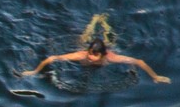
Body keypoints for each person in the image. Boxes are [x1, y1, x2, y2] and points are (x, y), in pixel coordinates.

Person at [23, 16, 169, 85]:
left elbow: (139, 62)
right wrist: (35, 71)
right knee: (83, 39)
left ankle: (103, 21)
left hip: (106, 46)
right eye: (90, 53)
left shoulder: (111, 57)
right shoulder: (81, 55)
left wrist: (155, 76)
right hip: (88, 46)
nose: (91, 57)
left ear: (103, 55)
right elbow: (51, 58)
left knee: (109, 38)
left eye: (95, 55)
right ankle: (94, 21)